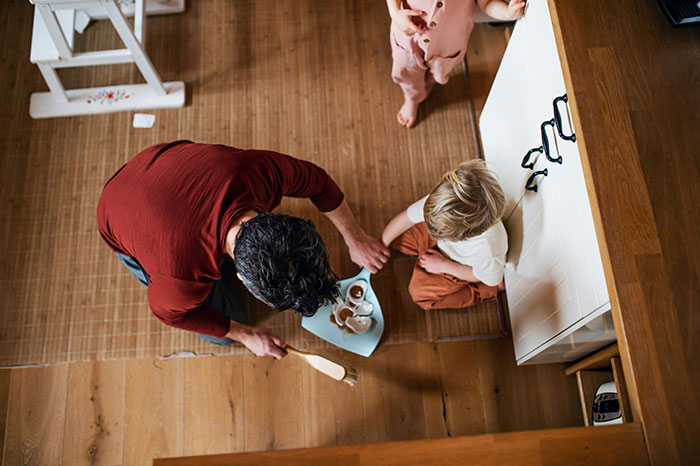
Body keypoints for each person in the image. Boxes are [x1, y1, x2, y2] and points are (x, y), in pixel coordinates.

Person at [97, 141, 389, 359]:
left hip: (159, 166)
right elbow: (170, 315)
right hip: (117, 210)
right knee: (224, 336)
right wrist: (244, 334)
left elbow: (319, 182)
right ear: (242, 278)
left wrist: (356, 239)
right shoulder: (181, 278)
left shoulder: (259, 172)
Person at [381, 159, 507, 310]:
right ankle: (426, 250)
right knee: (397, 238)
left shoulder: (487, 250)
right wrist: (381, 245)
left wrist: (444, 265)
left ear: (462, 237)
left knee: (420, 295)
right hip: (445, 245)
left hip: (459, 265)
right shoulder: (445, 201)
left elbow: (485, 278)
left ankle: (487, 292)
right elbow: (406, 218)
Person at [387, 0, 525, 128]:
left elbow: (487, 3)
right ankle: (412, 97)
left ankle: (428, 82)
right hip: (408, 37)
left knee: (438, 71)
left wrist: (508, 12)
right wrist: (395, 13)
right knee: (407, 71)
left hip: (448, 43)